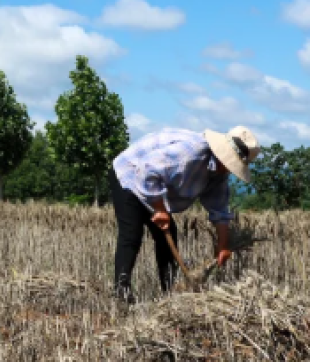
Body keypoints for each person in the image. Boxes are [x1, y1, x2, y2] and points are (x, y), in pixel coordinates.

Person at [107, 126, 259, 302]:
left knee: (168, 235)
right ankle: (121, 292)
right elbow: (147, 170)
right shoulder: (189, 154)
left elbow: (220, 210)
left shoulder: (219, 174)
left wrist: (223, 245)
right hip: (130, 172)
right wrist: (160, 209)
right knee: (132, 233)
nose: (229, 170)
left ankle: (169, 293)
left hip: (153, 180)